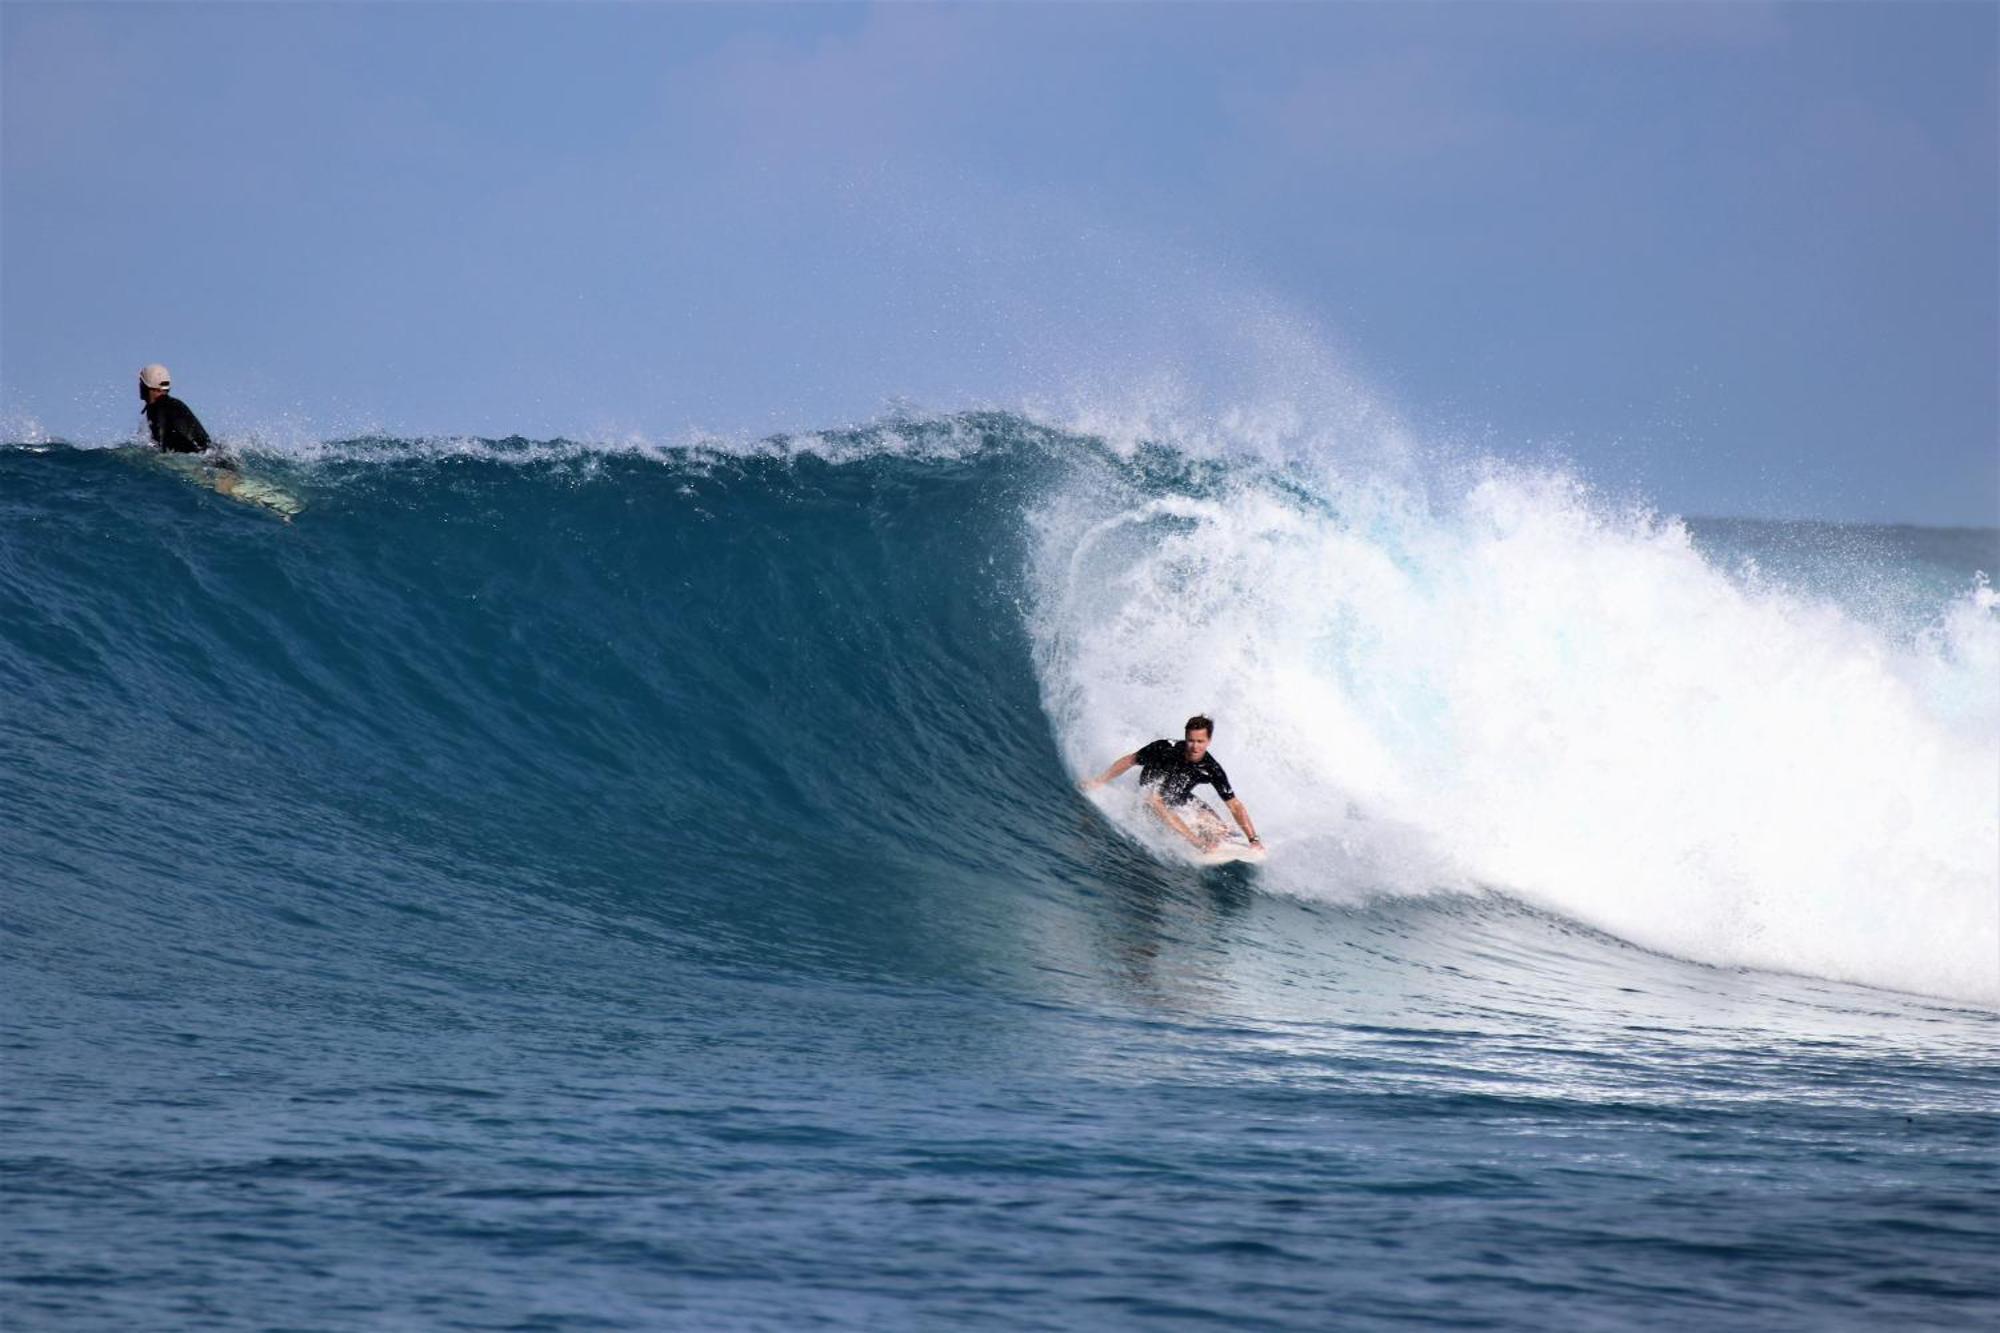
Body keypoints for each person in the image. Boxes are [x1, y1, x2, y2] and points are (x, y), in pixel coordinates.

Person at [1080, 714, 1264, 853]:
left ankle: (1218, 837)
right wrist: (1099, 781)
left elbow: (1234, 805)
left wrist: (1253, 839)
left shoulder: (1211, 768)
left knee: (1219, 829)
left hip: (1180, 797)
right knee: (1154, 800)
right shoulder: (1164, 748)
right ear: (1185, 737)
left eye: (1200, 741)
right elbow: (1130, 760)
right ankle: (1198, 842)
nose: (1195, 746)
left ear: (1209, 741)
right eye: (1191, 740)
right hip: (1151, 792)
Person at [138, 363, 222, 457]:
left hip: (208, 462)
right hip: (214, 456)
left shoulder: (159, 407)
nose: (139, 385)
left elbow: (159, 444)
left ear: (147, 385)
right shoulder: (172, 404)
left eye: (141, 382)